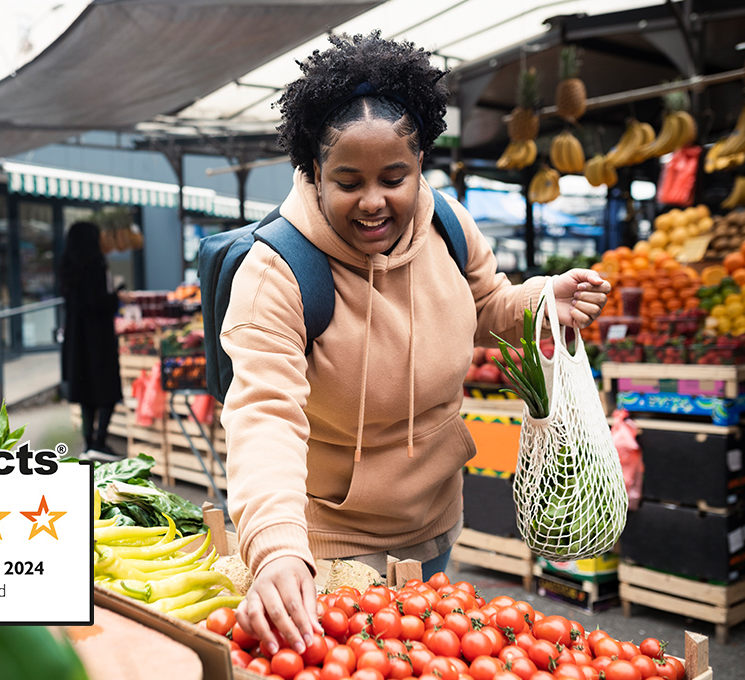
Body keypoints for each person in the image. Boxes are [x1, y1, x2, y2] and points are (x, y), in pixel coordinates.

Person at [220, 31, 612, 657]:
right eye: (349, 181)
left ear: (421, 164)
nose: (374, 202)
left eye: (394, 177)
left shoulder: (450, 228)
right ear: (313, 171)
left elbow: (483, 308)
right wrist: (275, 547)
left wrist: (540, 300)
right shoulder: (275, 274)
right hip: (330, 543)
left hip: (433, 523)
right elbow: (263, 414)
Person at [59, 221, 124, 458]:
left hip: (76, 337)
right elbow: (99, 301)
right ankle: (100, 440)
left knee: (85, 390)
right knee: (107, 389)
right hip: (98, 337)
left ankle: (88, 443)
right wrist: (115, 295)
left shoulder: (67, 267)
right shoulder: (96, 265)